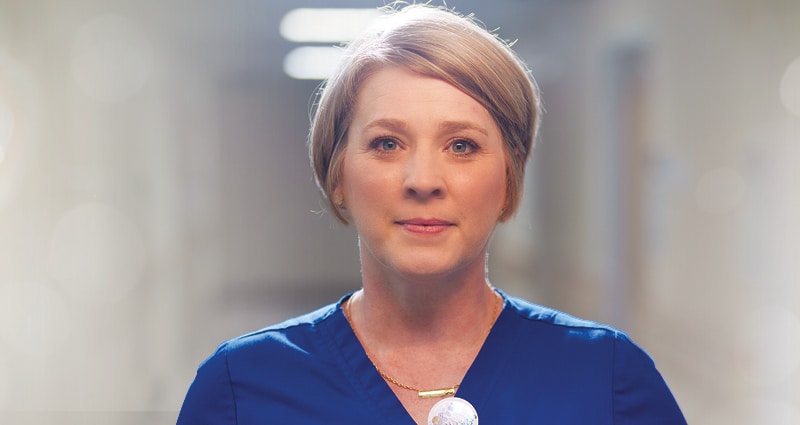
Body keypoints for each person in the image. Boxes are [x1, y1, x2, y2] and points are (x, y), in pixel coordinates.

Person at [176, 3, 687, 424]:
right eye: (387, 143)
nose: (423, 180)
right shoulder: (242, 391)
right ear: (337, 178)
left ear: (509, 179)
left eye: (462, 145)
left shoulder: (608, 382)